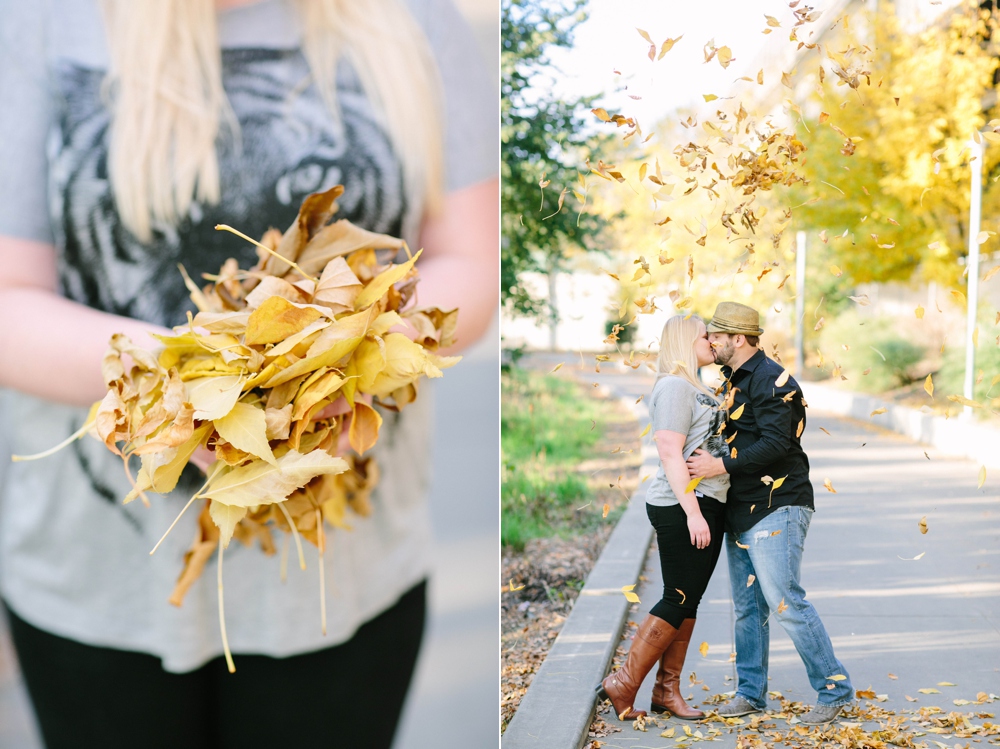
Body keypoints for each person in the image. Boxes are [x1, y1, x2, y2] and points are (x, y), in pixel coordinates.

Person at [0, 0, 497, 747]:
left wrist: (338, 359)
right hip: (94, 583)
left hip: (342, 582)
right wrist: (184, 378)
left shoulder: (416, 16)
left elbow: (469, 258)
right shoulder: (38, 20)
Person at [686, 301, 853, 726]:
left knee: (784, 601)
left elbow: (779, 443)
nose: (711, 343)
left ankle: (836, 691)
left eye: (717, 338)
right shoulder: (731, 381)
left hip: (779, 505)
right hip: (740, 508)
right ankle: (750, 693)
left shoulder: (774, 381)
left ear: (738, 339)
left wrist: (719, 464)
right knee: (747, 608)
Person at [596, 314, 730, 720]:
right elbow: (670, 453)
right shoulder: (673, 386)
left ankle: (666, 692)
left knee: (689, 601)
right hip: (682, 504)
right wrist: (692, 512)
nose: (713, 341)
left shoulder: (695, 386)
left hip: (706, 501)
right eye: (706, 335)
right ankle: (623, 683)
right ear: (686, 340)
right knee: (679, 597)